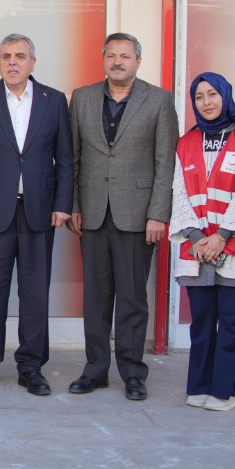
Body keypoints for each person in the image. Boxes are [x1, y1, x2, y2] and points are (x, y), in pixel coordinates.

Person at [66, 32, 177, 400]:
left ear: (137, 61)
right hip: (93, 213)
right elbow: (72, 158)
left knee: (132, 298)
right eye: (111, 55)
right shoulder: (82, 98)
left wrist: (158, 213)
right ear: (104, 60)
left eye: (125, 56)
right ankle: (95, 369)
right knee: (95, 298)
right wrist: (75, 205)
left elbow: (165, 162)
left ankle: (132, 371)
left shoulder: (159, 100)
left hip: (137, 215)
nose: (117, 61)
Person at [0, 33, 74, 395]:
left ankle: (31, 367)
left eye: (20, 56)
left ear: (32, 63)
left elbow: (66, 159)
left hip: (39, 211)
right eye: (6, 56)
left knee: (35, 294)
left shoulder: (54, 101)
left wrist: (63, 204)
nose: (13, 62)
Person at [169, 73, 235, 411]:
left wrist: (221, 236)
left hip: (234, 246)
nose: (206, 102)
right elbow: (179, 192)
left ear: (225, 96)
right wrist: (197, 237)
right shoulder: (186, 142)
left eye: (212, 94)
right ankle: (199, 386)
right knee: (202, 322)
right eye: (199, 97)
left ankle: (225, 391)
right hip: (197, 248)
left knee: (233, 322)